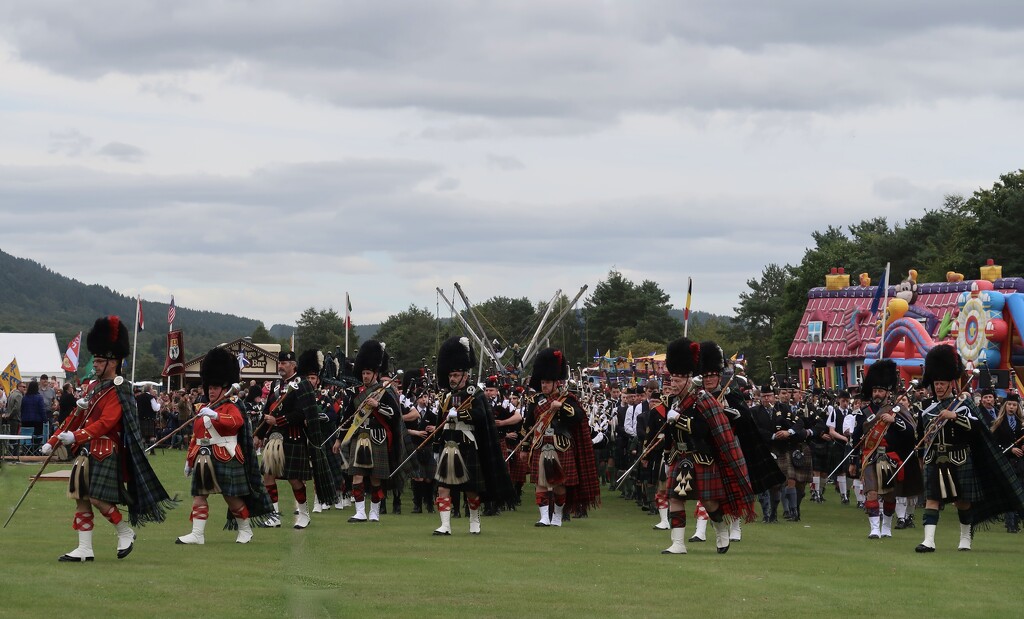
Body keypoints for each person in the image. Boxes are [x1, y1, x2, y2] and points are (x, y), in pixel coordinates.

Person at [41, 316, 176, 562]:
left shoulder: (119, 387)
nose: (97, 364)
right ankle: (84, 549)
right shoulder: (94, 387)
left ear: (115, 362)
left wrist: (77, 435)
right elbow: (75, 415)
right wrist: (54, 440)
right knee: (81, 497)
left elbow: (107, 422)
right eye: (97, 360)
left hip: (105, 448)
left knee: (96, 497)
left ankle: (125, 531)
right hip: (86, 449)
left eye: (101, 361)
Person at [915, 344, 1024, 552]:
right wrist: (921, 459)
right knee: (932, 499)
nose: (938, 387)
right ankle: (928, 541)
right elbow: (922, 438)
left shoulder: (963, 406)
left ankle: (965, 538)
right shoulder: (926, 411)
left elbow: (977, 428)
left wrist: (954, 416)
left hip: (959, 458)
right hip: (934, 459)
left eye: (942, 383)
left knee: (963, 503)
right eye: (936, 383)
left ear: (951, 384)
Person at [659, 338, 755, 555]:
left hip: (700, 456)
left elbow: (703, 429)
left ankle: (721, 529)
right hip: (679, 455)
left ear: (687, 379)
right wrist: (666, 456)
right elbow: (669, 434)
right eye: (671, 379)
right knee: (675, 498)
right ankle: (678, 543)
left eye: (676, 380)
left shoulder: (701, 399)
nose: (672, 384)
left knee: (710, 502)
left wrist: (679, 420)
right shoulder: (672, 402)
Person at [177, 347, 273, 545]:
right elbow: (197, 435)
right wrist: (189, 460)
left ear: (224, 387)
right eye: (209, 387)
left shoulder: (232, 404)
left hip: (226, 455)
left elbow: (235, 422)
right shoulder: (203, 408)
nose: (211, 390)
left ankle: (245, 530)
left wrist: (216, 415)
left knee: (231, 497)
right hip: (204, 455)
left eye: (215, 387)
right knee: (199, 495)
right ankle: (197, 534)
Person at [429, 336, 516, 535]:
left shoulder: (475, 394)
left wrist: (459, 414)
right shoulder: (446, 396)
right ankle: (445, 525)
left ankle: (475, 521)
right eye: (450, 374)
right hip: (448, 444)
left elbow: (481, 415)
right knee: (443, 487)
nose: (452, 378)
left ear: (465, 375)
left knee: (471, 488)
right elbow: (438, 424)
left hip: (468, 444)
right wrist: (436, 446)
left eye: (456, 374)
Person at [521, 347, 600, 528]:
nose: (544, 385)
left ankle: (557, 516)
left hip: (561, 445)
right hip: (541, 444)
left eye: (548, 382)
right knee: (540, 482)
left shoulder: (568, 399)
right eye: (542, 382)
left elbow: (579, 417)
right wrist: (525, 448)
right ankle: (543, 518)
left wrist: (561, 407)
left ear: (557, 382)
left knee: (559, 485)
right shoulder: (535, 402)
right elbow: (528, 427)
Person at [334, 341, 405, 523]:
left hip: (378, 438)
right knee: (357, 475)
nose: (365, 376)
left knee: (375, 478)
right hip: (359, 436)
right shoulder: (356, 393)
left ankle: (374, 512)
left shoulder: (384, 392)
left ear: (375, 373)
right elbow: (347, 419)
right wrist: (338, 439)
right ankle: (360, 512)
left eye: (368, 373)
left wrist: (377, 405)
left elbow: (395, 415)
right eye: (363, 373)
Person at [853, 360, 919, 539]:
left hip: (890, 457)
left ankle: (886, 527)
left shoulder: (897, 410)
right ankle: (874, 528)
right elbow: (855, 437)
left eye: (880, 391)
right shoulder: (864, 412)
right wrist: (852, 460)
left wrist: (894, 421)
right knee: (871, 492)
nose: (876, 394)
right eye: (874, 390)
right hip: (870, 456)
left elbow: (910, 432)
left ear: (887, 392)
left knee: (890, 496)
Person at [989, 389, 1024, 533]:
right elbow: (994, 443)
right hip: (1006, 460)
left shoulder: (1021, 423)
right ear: (1005, 406)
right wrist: (1010, 450)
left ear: (1017, 407)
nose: (1011, 407)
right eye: (1009, 404)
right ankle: (1011, 524)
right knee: (1010, 491)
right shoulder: (998, 423)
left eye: (1014, 405)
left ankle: (1017, 519)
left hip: (1021, 462)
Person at [21, 380, 49, 449]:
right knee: (37, 437)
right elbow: (42, 410)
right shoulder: (39, 397)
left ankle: (26, 449)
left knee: (26, 436)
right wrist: (45, 419)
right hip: (37, 421)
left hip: (25, 421)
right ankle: (35, 450)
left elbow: (22, 409)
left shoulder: (24, 397)